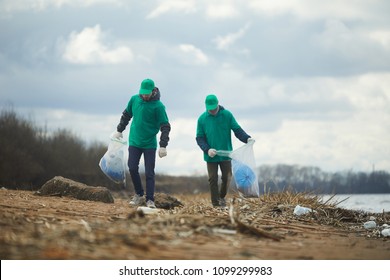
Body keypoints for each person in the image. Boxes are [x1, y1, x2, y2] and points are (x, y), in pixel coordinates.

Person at [112, 78, 171, 208]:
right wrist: (119, 130)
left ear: (153, 91)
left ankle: (150, 200)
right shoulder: (134, 100)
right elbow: (126, 115)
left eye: (147, 93)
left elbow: (165, 126)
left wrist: (163, 145)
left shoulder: (158, 106)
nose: (144, 95)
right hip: (134, 141)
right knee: (132, 167)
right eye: (143, 93)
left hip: (149, 143)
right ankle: (139, 194)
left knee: (150, 172)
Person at [196, 94, 254, 208]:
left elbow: (237, 130)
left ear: (218, 104)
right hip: (211, 155)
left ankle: (221, 197)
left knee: (227, 177)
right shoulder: (202, 119)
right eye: (210, 109)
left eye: (214, 108)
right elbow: (199, 138)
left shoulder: (227, 115)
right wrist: (207, 149)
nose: (212, 111)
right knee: (212, 178)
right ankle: (215, 203)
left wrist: (247, 138)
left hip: (226, 153)